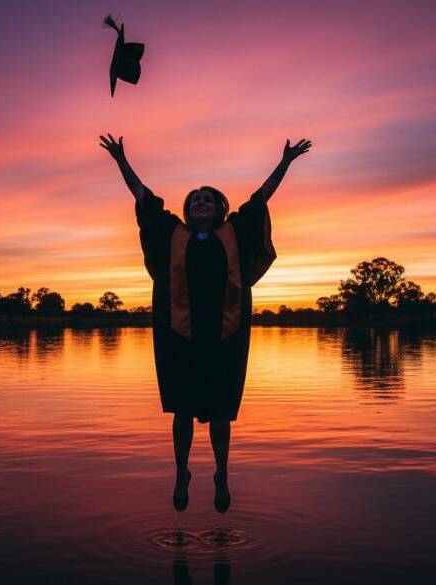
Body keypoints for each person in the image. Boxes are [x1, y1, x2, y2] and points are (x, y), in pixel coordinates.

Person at [100, 133, 311, 512]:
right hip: (178, 336)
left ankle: (221, 472)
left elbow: (261, 197)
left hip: (225, 337)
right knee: (181, 408)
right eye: (195, 199)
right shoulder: (172, 233)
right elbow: (143, 198)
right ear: (188, 209)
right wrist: (120, 160)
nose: (200, 202)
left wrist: (286, 162)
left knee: (220, 410)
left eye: (207, 199)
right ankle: (181, 471)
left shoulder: (234, 231)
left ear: (218, 208)